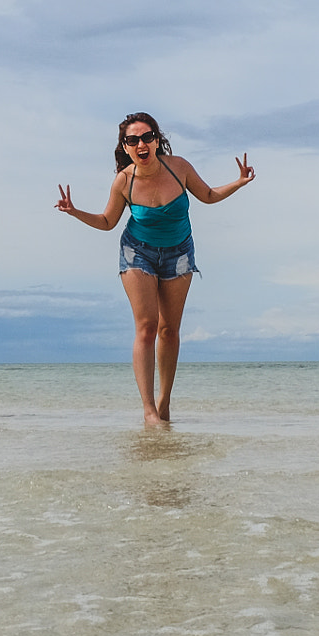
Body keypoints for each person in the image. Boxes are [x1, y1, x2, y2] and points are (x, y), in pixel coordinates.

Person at [55, 112, 255, 425]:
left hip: (179, 253)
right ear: (125, 146)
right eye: (133, 140)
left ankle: (164, 403)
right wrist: (74, 211)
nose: (141, 144)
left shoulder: (179, 167)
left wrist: (240, 182)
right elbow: (108, 222)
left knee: (169, 329)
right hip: (138, 252)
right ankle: (149, 412)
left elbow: (209, 195)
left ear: (157, 139)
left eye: (147, 136)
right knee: (147, 326)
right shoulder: (124, 181)